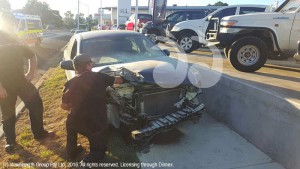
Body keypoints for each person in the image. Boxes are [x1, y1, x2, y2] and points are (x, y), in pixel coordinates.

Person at [0, 10, 54, 153]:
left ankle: (39, 133)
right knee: (8, 113)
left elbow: (32, 56)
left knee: (36, 104)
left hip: (21, 81)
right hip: (4, 85)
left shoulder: (16, 39)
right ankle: (10, 143)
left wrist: (30, 73)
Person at [61, 54, 123, 162]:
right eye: (91, 64)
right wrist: (122, 76)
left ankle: (72, 151)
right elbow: (118, 81)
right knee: (99, 151)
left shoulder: (70, 83)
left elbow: (63, 106)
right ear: (88, 65)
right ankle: (88, 161)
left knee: (70, 123)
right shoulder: (99, 77)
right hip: (95, 124)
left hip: (75, 122)